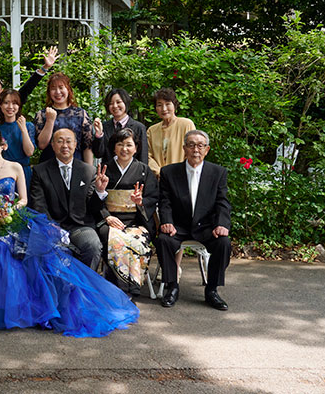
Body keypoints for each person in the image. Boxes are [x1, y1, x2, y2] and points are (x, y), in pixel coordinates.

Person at [0, 128, 139, 337]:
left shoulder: (16, 167)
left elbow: (24, 200)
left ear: (3, 145)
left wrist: (8, 211)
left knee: (27, 252)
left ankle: (29, 304)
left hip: (13, 219)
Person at [155, 130, 232, 311]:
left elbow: (223, 202)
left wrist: (222, 224)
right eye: (191, 145)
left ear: (207, 150)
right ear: (184, 149)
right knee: (163, 239)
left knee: (223, 243)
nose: (195, 149)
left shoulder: (218, 172)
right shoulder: (169, 172)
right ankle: (172, 286)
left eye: (200, 145)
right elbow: (164, 202)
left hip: (206, 226)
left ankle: (212, 289)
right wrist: (167, 221)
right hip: (178, 225)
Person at [95, 128, 158, 296]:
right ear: (114, 147)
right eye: (120, 144)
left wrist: (141, 202)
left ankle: (133, 286)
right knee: (116, 240)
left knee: (137, 240)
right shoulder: (104, 169)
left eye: (129, 145)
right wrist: (102, 197)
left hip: (136, 221)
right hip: (109, 220)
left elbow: (153, 197)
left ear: (136, 148)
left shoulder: (144, 170)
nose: (124, 149)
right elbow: (92, 201)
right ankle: (118, 288)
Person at [30, 128, 103, 270]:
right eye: (60, 141)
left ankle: (83, 286)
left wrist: (99, 191)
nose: (65, 146)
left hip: (80, 226)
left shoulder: (88, 171)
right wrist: (51, 227)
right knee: (46, 249)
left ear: (75, 144)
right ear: (52, 145)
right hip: (52, 226)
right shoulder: (40, 170)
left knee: (92, 245)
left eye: (69, 141)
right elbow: (39, 204)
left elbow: (93, 207)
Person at [34, 73, 93, 165]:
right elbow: (41, 145)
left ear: (68, 90)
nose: (58, 92)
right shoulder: (42, 114)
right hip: (49, 165)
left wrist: (89, 173)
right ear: (49, 92)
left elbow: (87, 146)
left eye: (61, 87)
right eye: (53, 88)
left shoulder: (81, 114)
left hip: (76, 164)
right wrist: (50, 120)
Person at [147, 87, 196, 178]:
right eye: (159, 105)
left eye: (168, 104)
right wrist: (160, 172)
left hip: (181, 177)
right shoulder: (152, 130)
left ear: (174, 105)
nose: (164, 109)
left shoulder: (186, 124)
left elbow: (192, 152)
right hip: (158, 179)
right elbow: (148, 156)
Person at [0, 89, 35, 187]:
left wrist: (23, 130)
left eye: (14, 103)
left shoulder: (28, 126)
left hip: (24, 171)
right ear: (1, 105)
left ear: (19, 106)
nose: (10, 107)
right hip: (3, 172)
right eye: (6, 103)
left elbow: (29, 152)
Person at [92, 88, 148, 164]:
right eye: (111, 103)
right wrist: (99, 134)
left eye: (118, 102)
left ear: (126, 102)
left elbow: (143, 157)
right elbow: (98, 154)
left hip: (132, 173)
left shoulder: (139, 127)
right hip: (108, 173)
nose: (115, 106)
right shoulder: (104, 126)